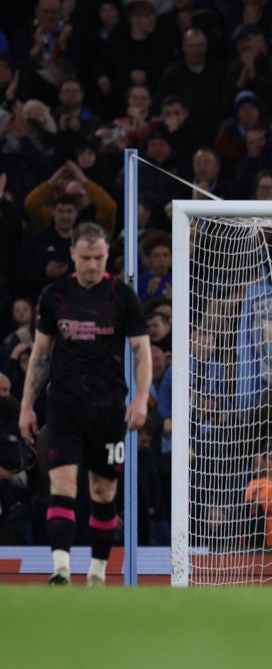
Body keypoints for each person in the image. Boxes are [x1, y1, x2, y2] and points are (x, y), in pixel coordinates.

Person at [18, 222, 152, 586]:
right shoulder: (54, 295)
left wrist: (141, 398)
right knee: (62, 484)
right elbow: (41, 355)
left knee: (102, 492)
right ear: (73, 255)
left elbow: (142, 351)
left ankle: (96, 572)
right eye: (85, 257)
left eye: (98, 257)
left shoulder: (122, 296)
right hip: (63, 404)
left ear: (107, 255)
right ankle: (60, 568)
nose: (92, 264)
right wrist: (27, 406)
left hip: (109, 408)